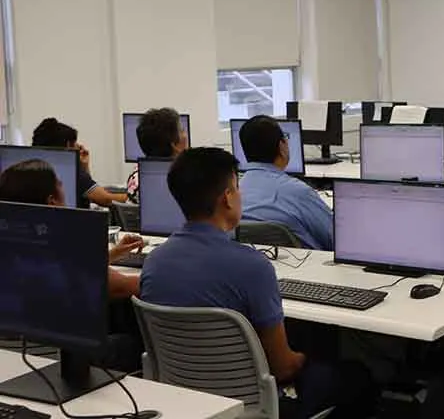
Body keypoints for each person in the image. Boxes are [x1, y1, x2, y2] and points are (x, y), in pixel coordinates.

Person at [140, 148, 376, 418]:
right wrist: (307, 358)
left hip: (185, 400)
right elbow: (283, 368)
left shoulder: (154, 262)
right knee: (358, 377)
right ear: (227, 198)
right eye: (237, 188)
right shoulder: (252, 267)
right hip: (253, 405)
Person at [0, 159, 144, 370]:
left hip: (14, 359)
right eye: (60, 184)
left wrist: (111, 255)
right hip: (63, 361)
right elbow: (129, 286)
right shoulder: (63, 248)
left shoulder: (16, 248)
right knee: (134, 340)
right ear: (52, 202)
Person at [238, 115, 333, 250]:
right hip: (306, 268)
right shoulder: (300, 193)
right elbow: (336, 240)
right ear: (282, 146)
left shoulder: (234, 193)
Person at [32, 118, 127, 209]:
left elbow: (86, 191)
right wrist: (135, 198)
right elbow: (105, 199)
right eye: (75, 143)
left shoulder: (32, 167)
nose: (79, 146)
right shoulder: (72, 171)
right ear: (68, 145)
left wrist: (84, 166)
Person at [126, 107, 189, 203]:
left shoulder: (136, 176)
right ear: (175, 145)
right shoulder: (182, 181)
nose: (186, 134)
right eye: (182, 130)